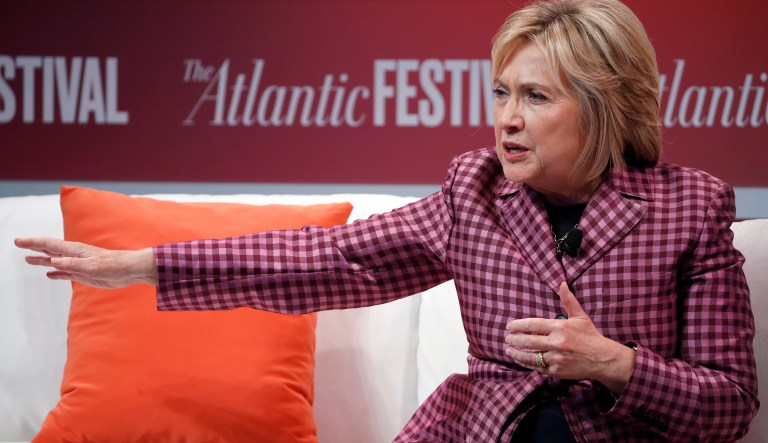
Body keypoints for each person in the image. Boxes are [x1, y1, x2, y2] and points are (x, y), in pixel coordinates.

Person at [15, 0, 759, 441]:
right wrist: (140, 264)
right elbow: (321, 258)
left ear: (603, 104)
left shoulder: (689, 208)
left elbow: (730, 404)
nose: (505, 120)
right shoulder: (475, 192)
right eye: (500, 92)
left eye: (535, 97)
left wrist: (612, 362)